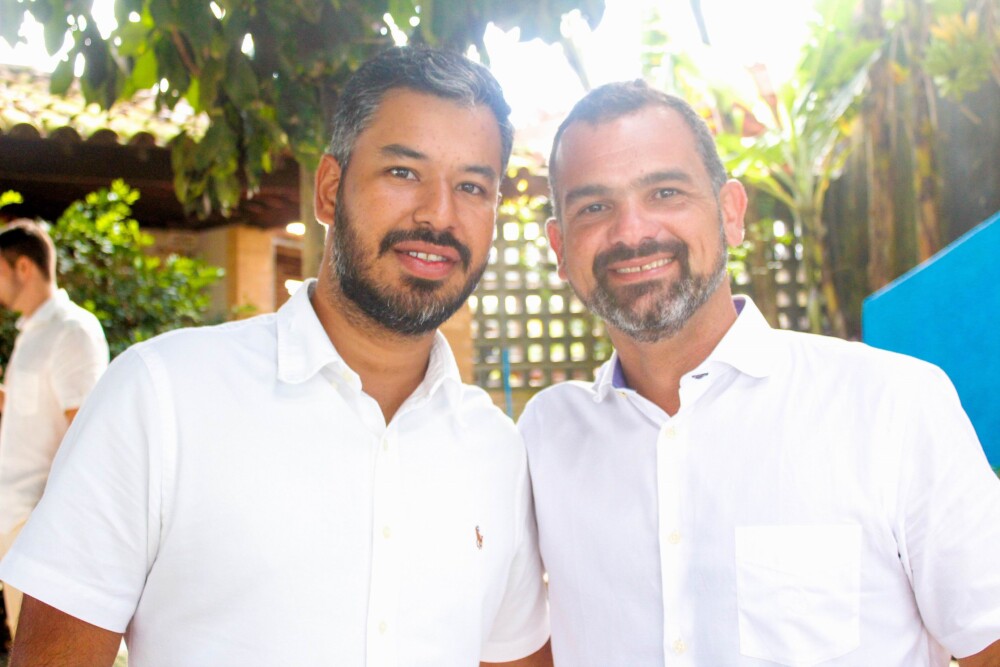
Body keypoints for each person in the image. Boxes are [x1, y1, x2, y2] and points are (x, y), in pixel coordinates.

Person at [0, 47, 551, 667]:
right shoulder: (161, 397)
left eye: (472, 186)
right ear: (329, 190)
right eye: (403, 172)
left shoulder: (497, 451)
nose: (438, 214)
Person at [519, 79, 1000, 667]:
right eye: (594, 207)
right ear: (560, 246)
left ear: (730, 213)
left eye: (666, 192)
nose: (633, 231)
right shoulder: (544, 437)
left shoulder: (892, 404)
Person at [0, 220, 109, 640]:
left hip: (38, 526)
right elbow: (35, 410)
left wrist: (56, 529)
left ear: (23, 267)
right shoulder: (32, 331)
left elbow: (85, 431)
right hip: (14, 518)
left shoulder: (72, 330)